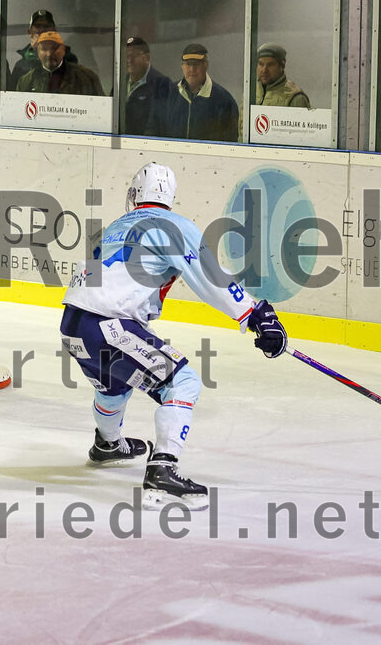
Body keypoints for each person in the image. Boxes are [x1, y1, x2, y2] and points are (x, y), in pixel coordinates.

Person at [60, 162, 288, 510]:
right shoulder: (172, 226)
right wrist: (254, 314)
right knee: (183, 384)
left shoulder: (115, 227)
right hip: (110, 327)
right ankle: (162, 472)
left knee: (115, 387)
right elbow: (209, 275)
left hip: (73, 326)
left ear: (135, 194)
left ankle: (108, 444)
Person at [162, 43, 239, 142]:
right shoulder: (168, 94)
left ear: (206, 65)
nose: (192, 69)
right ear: (182, 66)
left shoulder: (224, 100)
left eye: (197, 64)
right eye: (188, 64)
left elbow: (229, 142)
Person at [16, 31, 104, 96]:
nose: (49, 54)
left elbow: (100, 112)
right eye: (44, 49)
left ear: (64, 50)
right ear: (38, 52)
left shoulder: (86, 78)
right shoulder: (26, 81)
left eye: (54, 48)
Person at [9, 10, 80, 89]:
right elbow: (12, 96)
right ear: (30, 33)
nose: (42, 30)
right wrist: (35, 51)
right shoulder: (21, 65)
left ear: (54, 32)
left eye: (46, 27)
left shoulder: (68, 58)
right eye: (37, 26)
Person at [123, 36, 173, 136]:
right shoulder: (121, 82)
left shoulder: (161, 84)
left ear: (147, 58)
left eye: (134, 56)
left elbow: (158, 124)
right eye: (126, 56)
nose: (129, 60)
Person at [255, 43, 310, 107]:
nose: (264, 70)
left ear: (282, 66)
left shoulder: (293, 96)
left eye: (270, 65)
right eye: (261, 64)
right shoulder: (251, 92)